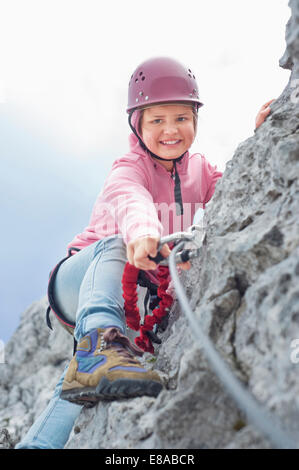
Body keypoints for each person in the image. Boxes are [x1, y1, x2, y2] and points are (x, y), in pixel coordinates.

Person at [16, 57, 273, 449]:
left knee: (84, 388)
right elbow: (130, 203)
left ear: (195, 121)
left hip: (130, 302)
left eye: (181, 118)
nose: (170, 130)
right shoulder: (128, 168)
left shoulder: (201, 171)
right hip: (80, 282)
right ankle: (98, 342)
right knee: (117, 243)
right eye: (157, 121)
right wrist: (144, 233)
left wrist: (263, 139)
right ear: (137, 126)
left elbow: (239, 191)